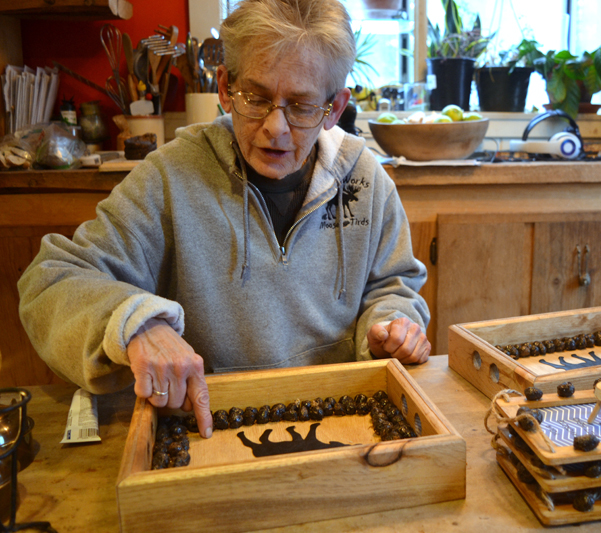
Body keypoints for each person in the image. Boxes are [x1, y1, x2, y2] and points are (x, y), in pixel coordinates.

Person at [17, 0, 430, 439]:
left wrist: (391, 323)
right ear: (224, 86)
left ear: (334, 106)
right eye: (256, 98)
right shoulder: (170, 176)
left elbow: (392, 286)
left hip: (344, 425)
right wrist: (134, 324)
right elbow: (48, 282)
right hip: (208, 429)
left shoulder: (364, 178)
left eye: (302, 106)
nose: (276, 127)